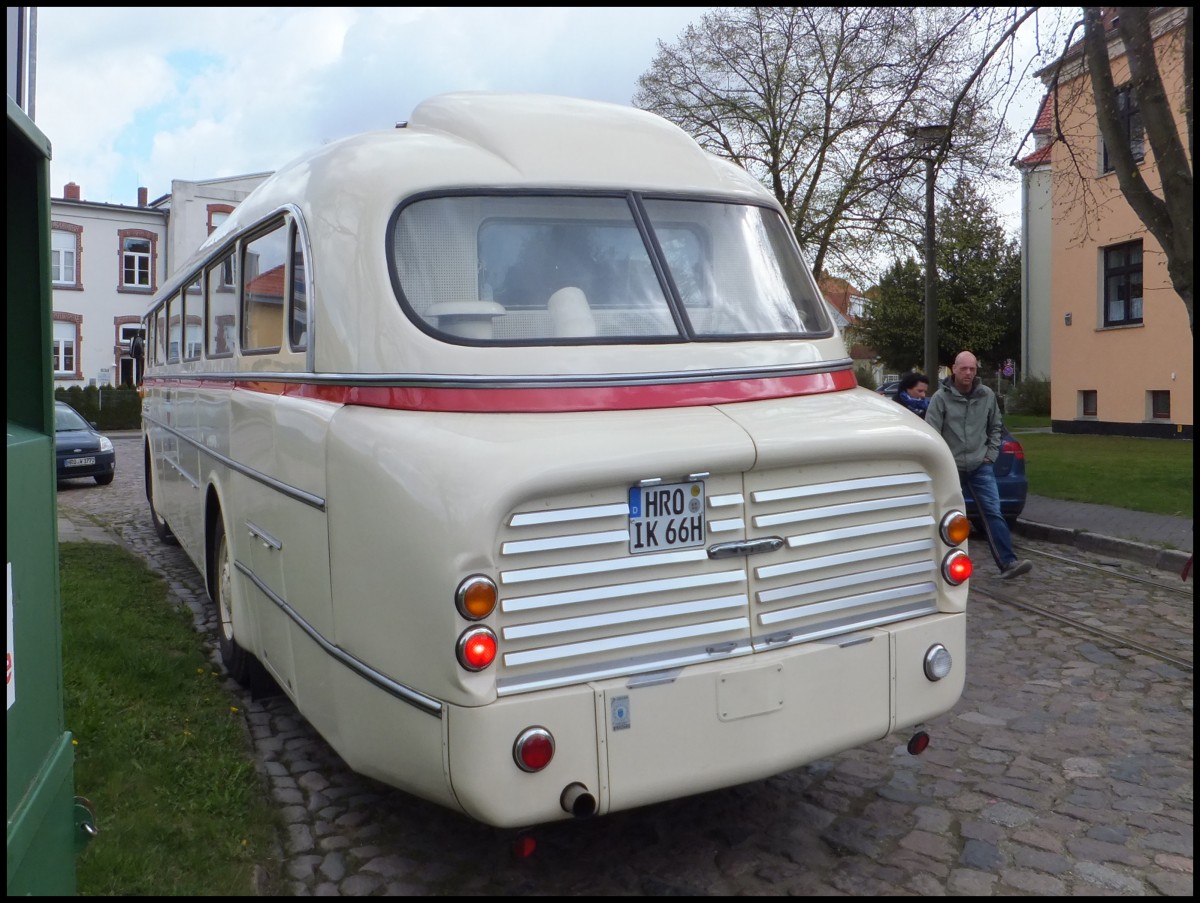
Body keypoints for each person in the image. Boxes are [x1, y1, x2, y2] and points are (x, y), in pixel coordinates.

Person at [926, 350, 1032, 579]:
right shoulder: (940, 398)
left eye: (972, 369)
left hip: (979, 465)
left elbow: (996, 427)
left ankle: (1008, 563)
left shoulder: (987, 395)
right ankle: (934, 565)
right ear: (954, 369)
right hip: (951, 468)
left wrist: (990, 455)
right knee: (944, 515)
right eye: (964, 368)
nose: (968, 373)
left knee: (993, 512)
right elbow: (932, 434)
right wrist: (942, 463)